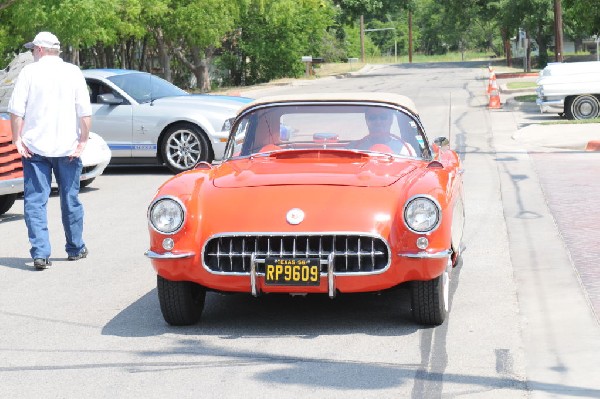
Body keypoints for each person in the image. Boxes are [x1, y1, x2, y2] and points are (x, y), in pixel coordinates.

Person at [8, 32, 92, 270]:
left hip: (35, 148)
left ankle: (40, 253)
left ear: (41, 50)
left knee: (35, 201)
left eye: (33, 49)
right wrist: (82, 142)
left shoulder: (29, 73)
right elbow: (84, 112)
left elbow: (16, 110)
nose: (32, 53)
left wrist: (17, 140)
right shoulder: (73, 72)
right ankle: (75, 248)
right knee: (70, 198)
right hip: (67, 148)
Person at [350, 107, 416, 156]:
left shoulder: (405, 148)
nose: (378, 122)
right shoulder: (353, 148)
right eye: (372, 117)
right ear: (367, 120)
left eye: (383, 117)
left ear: (391, 120)